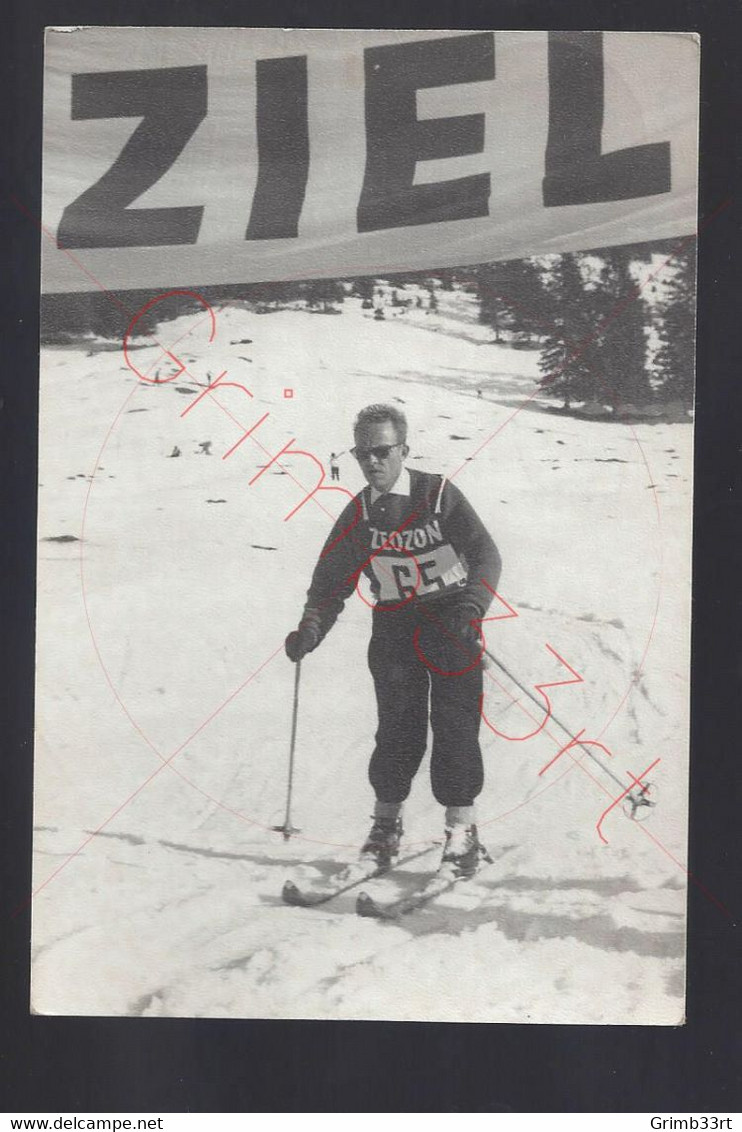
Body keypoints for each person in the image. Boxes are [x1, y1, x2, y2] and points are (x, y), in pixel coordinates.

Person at [285, 404, 502, 878]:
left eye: (382, 451)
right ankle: (385, 829)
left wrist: (472, 607)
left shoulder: (438, 494)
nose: (372, 462)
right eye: (362, 453)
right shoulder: (359, 513)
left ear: (404, 449)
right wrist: (311, 628)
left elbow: (485, 553)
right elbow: (330, 582)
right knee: (397, 730)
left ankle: (462, 834)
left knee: (455, 726)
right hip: (395, 626)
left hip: (449, 622)